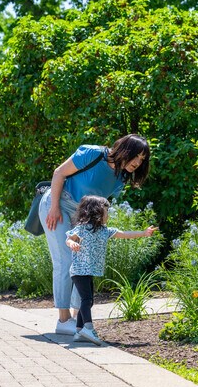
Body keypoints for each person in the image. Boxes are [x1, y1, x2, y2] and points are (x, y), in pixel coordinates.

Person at [38, 134, 151, 335]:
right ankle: (63, 320)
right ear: (125, 149)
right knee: (66, 259)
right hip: (58, 204)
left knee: (82, 261)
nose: (137, 162)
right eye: (136, 156)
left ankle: (77, 320)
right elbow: (59, 173)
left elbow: (99, 203)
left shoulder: (121, 177)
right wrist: (54, 207)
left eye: (142, 159)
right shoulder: (93, 154)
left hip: (82, 216)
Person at [66, 195, 158, 345]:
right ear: (95, 213)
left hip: (88, 271)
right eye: (105, 212)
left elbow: (125, 234)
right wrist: (72, 244)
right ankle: (88, 328)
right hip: (78, 270)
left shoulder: (105, 231)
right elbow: (69, 238)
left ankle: (79, 331)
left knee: (88, 301)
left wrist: (143, 233)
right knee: (86, 300)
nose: (107, 215)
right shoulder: (82, 229)